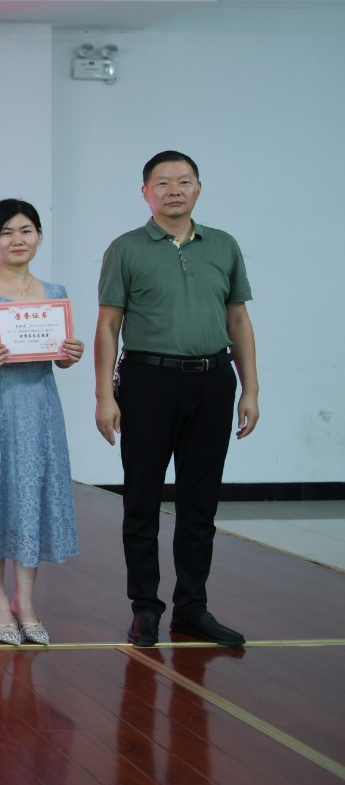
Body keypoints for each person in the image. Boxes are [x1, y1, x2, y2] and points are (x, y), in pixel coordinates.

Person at [95, 151, 258, 649]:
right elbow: (108, 325)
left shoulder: (223, 245)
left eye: (184, 181)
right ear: (146, 192)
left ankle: (192, 609)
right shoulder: (125, 248)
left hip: (213, 380)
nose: (174, 190)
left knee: (200, 503)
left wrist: (250, 388)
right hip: (147, 382)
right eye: (162, 183)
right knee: (142, 498)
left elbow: (237, 319)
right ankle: (145, 607)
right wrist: (103, 395)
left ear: (198, 189)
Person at [0, 199, 85, 646]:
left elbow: (58, 358)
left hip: (39, 411)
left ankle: (26, 604)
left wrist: (70, 355)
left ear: (39, 236)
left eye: (26, 230)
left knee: (30, 500)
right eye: (6, 232)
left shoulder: (55, 292)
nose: (17, 240)